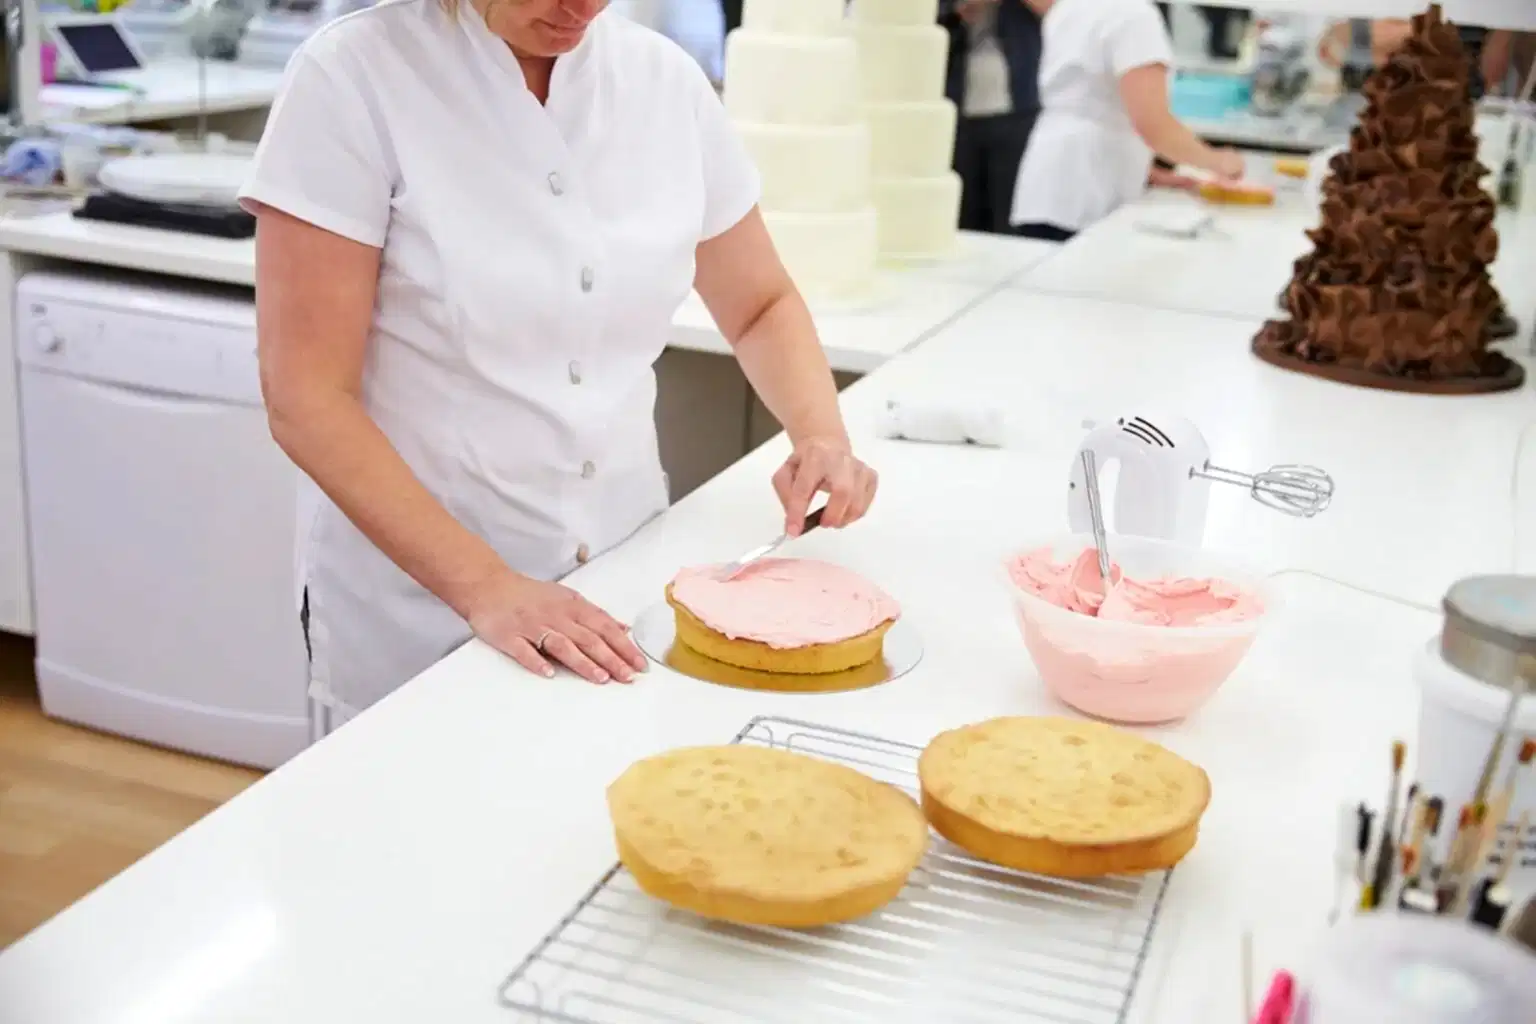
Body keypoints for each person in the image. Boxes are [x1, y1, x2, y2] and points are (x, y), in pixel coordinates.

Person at [240, 0, 879, 725]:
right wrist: (486, 585)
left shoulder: (663, 83)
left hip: (623, 577)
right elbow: (305, 397)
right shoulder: (353, 77)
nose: (583, 6)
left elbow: (760, 303)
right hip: (417, 614)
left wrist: (819, 433)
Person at [1011, 0, 1244, 241]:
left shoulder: (1072, 6)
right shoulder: (1135, 16)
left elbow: (1091, 99)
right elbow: (1154, 126)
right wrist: (1217, 161)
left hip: (1046, 183)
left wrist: (1149, 174)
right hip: (1088, 192)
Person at [940, 0, 1044, 235]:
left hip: (1018, 107)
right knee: (963, 216)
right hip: (955, 110)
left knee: (1011, 213)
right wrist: (956, 12)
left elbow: (1056, 11)